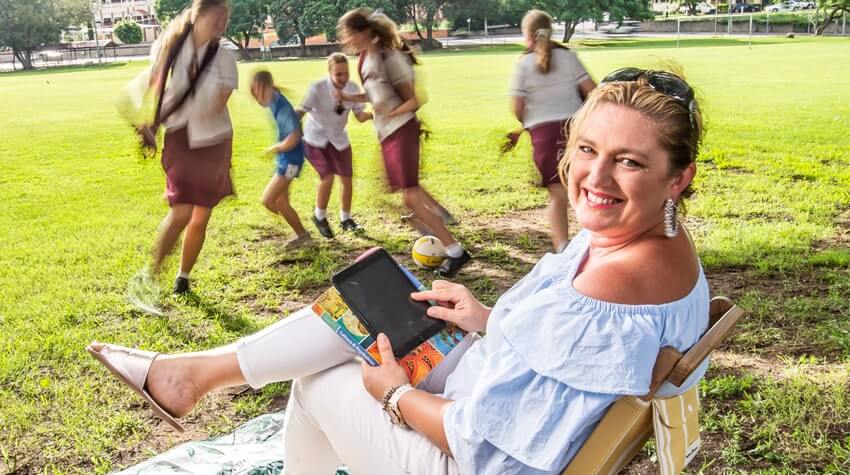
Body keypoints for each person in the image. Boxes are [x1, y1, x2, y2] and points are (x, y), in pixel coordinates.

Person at [88, 68, 708, 474]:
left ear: (678, 178)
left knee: (322, 384)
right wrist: (486, 318)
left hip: (477, 457)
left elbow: (479, 442)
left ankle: (188, 379)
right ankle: (189, 376)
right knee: (373, 304)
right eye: (587, 150)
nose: (594, 179)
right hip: (497, 390)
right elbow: (574, 355)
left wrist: (394, 394)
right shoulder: (645, 241)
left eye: (627, 162)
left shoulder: (617, 278)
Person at [333, 8, 470, 277]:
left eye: (349, 34)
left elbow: (415, 99)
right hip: (387, 134)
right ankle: (437, 227)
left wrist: (391, 112)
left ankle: (454, 250)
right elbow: (376, 96)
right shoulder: (364, 59)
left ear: (364, 32)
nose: (345, 39)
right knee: (402, 194)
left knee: (410, 195)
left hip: (402, 130)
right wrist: (351, 99)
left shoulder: (389, 57)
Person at [127, 0, 237, 309]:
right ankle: (150, 277)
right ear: (199, 15)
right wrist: (149, 122)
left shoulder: (225, 58)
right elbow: (154, 87)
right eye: (217, 17)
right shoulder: (169, 46)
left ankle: (182, 277)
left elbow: (217, 104)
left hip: (214, 142)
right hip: (182, 141)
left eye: (225, 18)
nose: (222, 24)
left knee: (200, 216)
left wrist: (161, 117)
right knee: (183, 211)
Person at [509, 9, 596, 253]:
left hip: (543, 136)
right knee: (583, 189)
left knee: (557, 195)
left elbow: (517, 107)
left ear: (527, 36)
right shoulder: (569, 58)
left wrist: (527, 122)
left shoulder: (523, 65)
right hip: (575, 130)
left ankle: (562, 248)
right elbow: (593, 91)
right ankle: (593, 242)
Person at [296, 53, 373, 239]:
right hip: (315, 138)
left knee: (347, 179)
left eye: (346, 73)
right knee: (327, 176)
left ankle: (345, 219)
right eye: (338, 74)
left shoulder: (353, 88)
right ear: (330, 72)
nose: (343, 78)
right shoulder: (317, 88)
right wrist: (287, 127)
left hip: (339, 139)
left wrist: (373, 114)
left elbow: (359, 117)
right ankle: (319, 216)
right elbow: (300, 111)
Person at [250, 70, 312, 250]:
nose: (257, 96)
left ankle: (299, 230)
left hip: (291, 162)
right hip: (288, 159)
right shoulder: (274, 100)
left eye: (260, 90)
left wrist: (275, 148)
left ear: (269, 87)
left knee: (268, 200)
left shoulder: (279, 104)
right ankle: (303, 235)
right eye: (254, 92)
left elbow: (295, 136)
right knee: (281, 203)